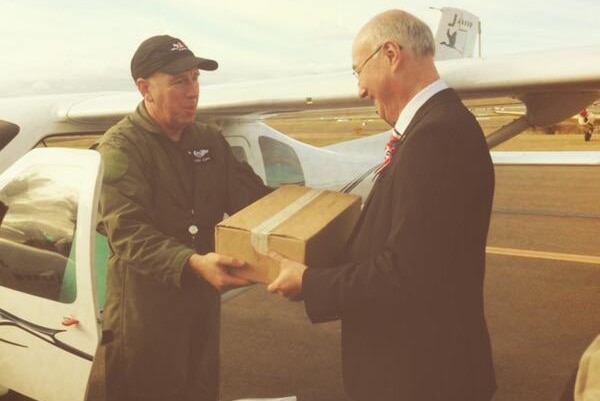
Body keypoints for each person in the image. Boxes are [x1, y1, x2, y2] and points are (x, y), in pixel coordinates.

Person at [267, 9, 496, 401]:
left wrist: (309, 282)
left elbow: (405, 274)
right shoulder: (433, 128)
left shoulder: (436, 138)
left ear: (390, 54)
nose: (359, 89)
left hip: (422, 378)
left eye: (358, 70)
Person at [95, 35, 270, 401]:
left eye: (195, 79)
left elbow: (254, 202)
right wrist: (191, 262)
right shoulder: (120, 147)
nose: (193, 92)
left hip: (201, 311)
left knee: (200, 390)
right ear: (145, 88)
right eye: (179, 81)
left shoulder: (209, 139)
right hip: (144, 317)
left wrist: (309, 217)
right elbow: (127, 231)